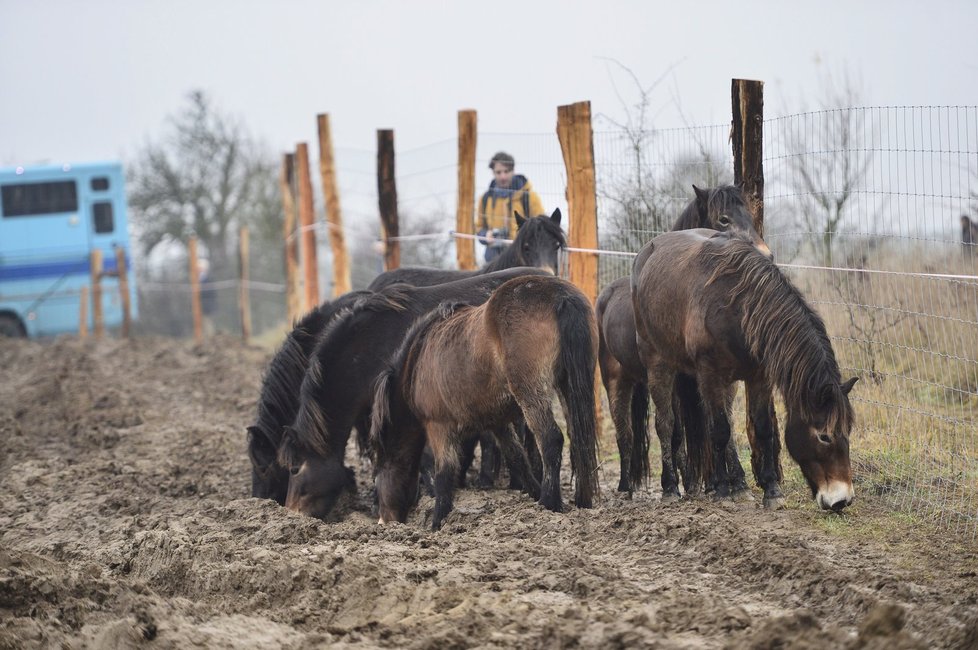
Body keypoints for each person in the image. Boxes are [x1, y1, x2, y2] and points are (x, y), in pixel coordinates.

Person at [476, 151, 546, 264]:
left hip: (522, 259)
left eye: (506, 171)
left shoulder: (529, 197)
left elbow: (542, 227)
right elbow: (479, 228)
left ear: (513, 171)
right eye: (498, 172)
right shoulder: (485, 199)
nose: (503, 176)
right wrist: (485, 235)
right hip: (493, 260)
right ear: (493, 173)